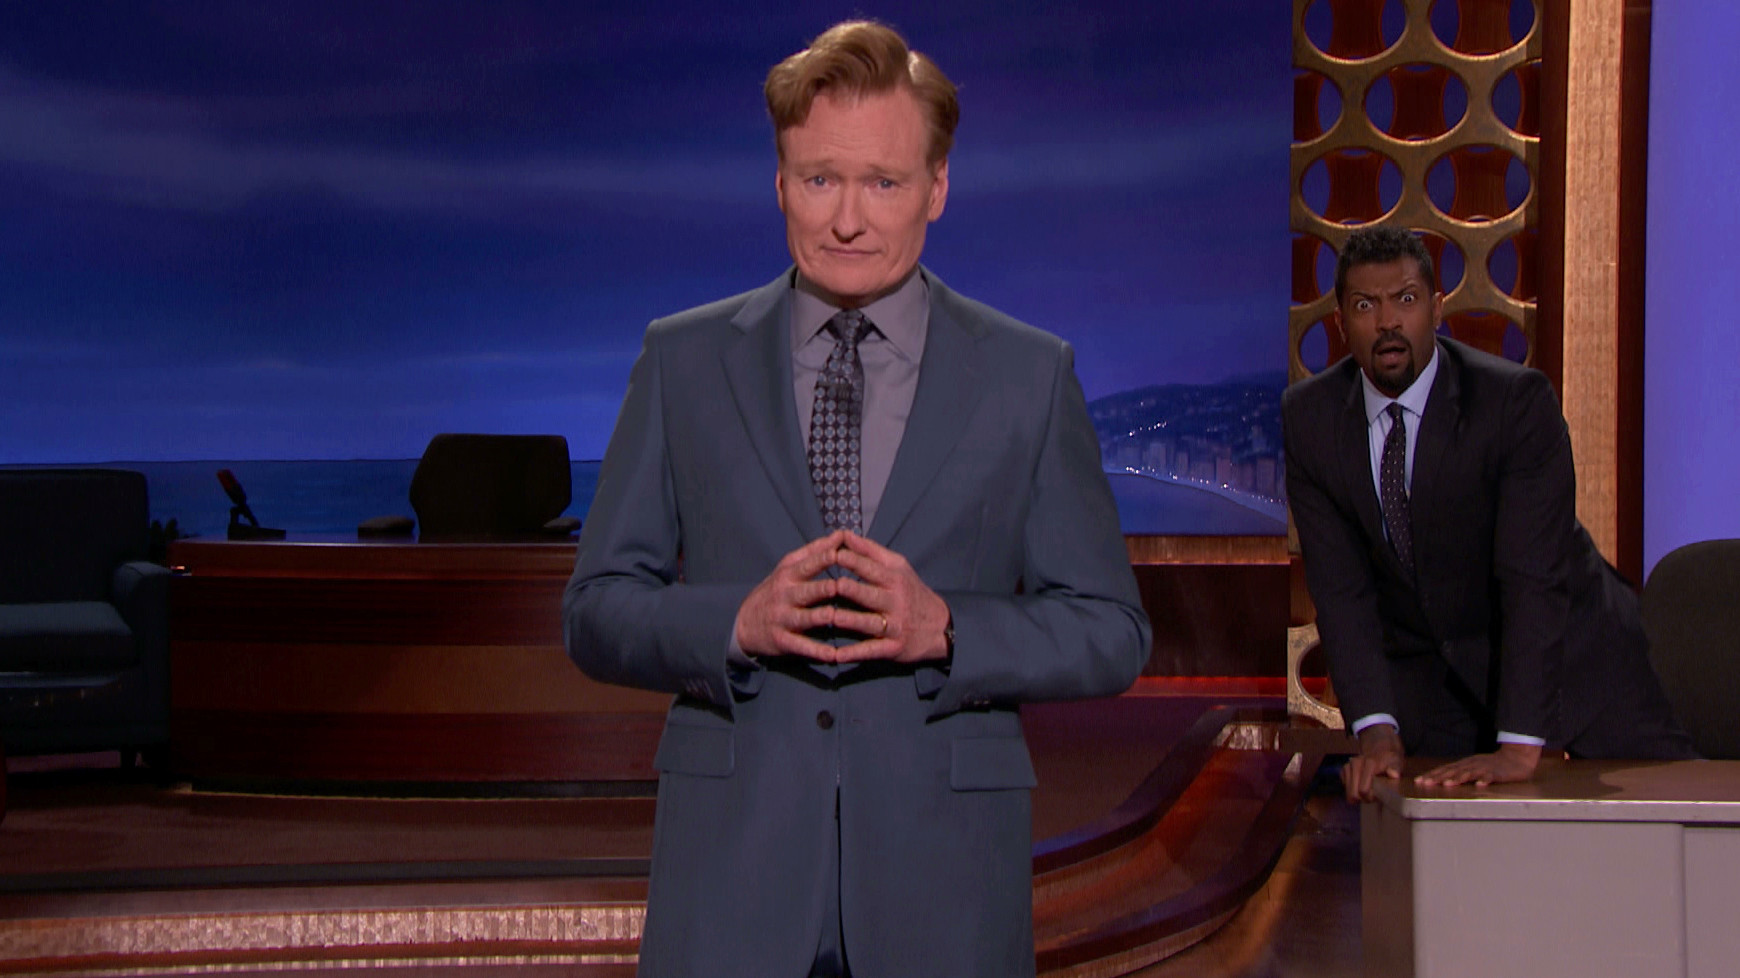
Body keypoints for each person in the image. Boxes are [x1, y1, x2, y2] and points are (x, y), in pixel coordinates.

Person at [563, 20, 1150, 978]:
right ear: (779, 184)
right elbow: (595, 611)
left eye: (883, 183)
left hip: (945, 884)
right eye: (820, 179)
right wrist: (734, 623)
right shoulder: (682, 361)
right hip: (732, 879)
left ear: (937, 188)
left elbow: (1112, 631)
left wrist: (948, 629)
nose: (847, 219)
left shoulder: (1029, 375)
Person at [1284, 226, 1695, 805]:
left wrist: (1520, 743)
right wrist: (1375, 730)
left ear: (1437, 309)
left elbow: (1533, 577)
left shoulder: (1513, 403)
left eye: (1405, 299)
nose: (1388, 322)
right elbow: (1341, 592)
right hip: (1434, 688)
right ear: (1340, 321)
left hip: (1571, 661)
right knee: (1443, 846)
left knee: (1668, 823)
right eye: (1365, 305)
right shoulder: (1311, 419)